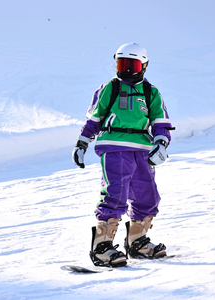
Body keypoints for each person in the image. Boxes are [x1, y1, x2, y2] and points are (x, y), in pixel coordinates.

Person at [72, 43, 174, 268]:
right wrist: (82, 142)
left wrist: (161, 143)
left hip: (142, 150)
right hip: (114, 146)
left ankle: (137, 242)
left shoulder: (150, 92)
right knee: (115, 192)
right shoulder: (110, 88)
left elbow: (160, 121)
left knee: (147, 195)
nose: (127, 70)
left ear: (144, 66)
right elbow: (94, 118)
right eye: (122, 64)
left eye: (133, 65)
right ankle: (102, 247)